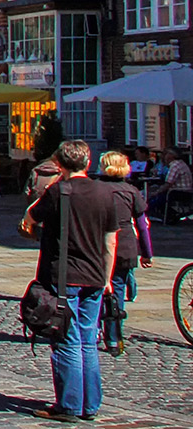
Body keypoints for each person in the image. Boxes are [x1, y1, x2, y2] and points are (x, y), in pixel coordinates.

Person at [19, 139, 120, 422]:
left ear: (60, 166)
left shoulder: (58, 192)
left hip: (63, 277)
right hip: (95, 276)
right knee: (88, 341)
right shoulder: (105, 192)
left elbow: (30, 217)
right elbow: (111, 241)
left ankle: (70, 405)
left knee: (66, 341)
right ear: (88, 162)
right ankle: (90, 405)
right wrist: (107, 277)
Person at [97, 150, 152, 356]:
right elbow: (142, 225)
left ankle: (93, 331)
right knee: (117, 292)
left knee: (95, 289)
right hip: (125, 245)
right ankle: (113, 338)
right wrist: (147, 252)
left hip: (98, 243)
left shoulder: (96, 188)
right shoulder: (131, 191)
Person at [149, 147, 192, 218]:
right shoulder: (181, 163)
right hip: (185, 191)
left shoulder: (175, 166)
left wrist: (156, 192)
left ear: (171, 156)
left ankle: (153, 213)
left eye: (165, 154)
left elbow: (168, 183)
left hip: (179, 192)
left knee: (157, 196)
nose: (163, 156)